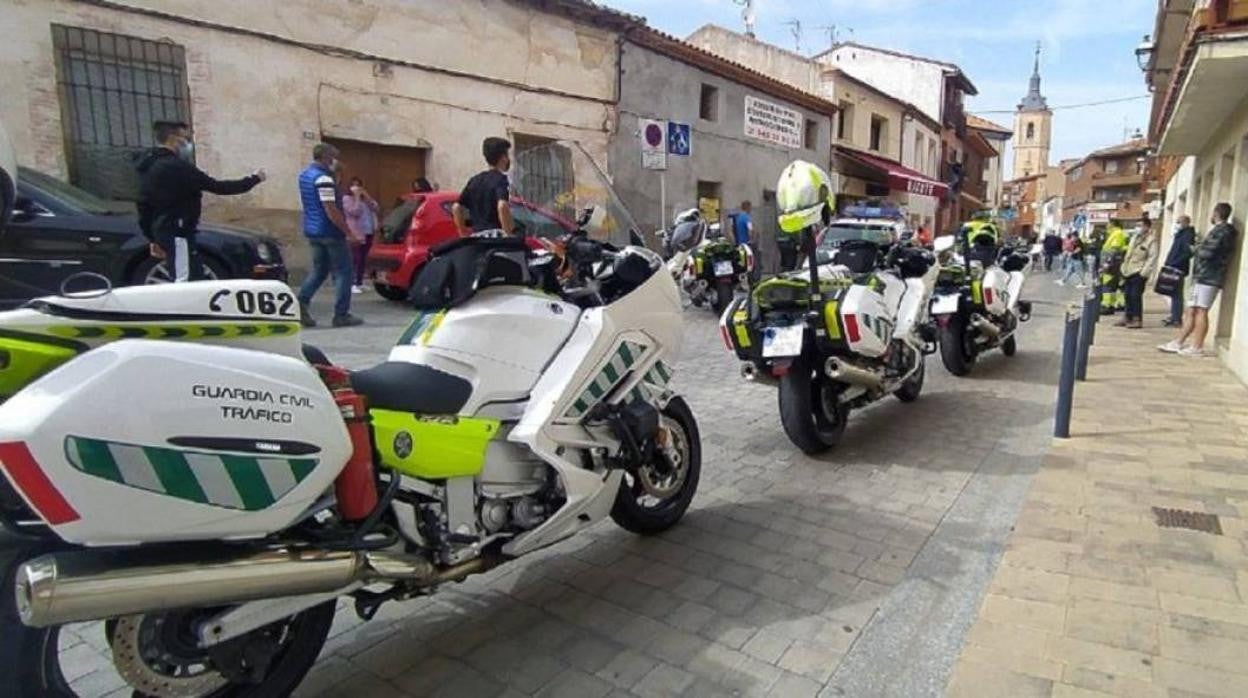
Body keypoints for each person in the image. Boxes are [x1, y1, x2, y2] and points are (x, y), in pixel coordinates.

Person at [135, 121, 265, 281]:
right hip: (178, 231)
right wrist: (254, 179)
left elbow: (143, 205)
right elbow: (218, 187)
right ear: (173, 139)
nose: (188, 143)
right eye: (185, 138)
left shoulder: (149, 166)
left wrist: (152, 237)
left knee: (188, 274)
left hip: (164, 229)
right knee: (185, 279)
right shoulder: (178, 168)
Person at [296, 143, 364, 328]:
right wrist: (348, 233)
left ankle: (300, 305)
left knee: (319, 270)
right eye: (334, 157)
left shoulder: (305, 175)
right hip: (330, 231)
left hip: (312, 230)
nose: (336, 161)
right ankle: (341, 314)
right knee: (344, 272)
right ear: (326, 157)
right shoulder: (323, 179)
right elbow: (330, 209)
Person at [1160, 203, 1238, 357]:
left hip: (1210, 276)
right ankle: (1179, 342)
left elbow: (1208, 253)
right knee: (1191, 310)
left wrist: (1195, 248)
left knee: (1201, 311)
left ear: (1216, 213)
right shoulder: (1217, 230)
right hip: (1202, 276)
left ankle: (1197, 347)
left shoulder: (1224, 231)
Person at [453, 137, 514, 235]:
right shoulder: (501, 179)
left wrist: (463, 234)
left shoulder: (474, 180)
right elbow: (502, 206)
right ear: (503, 158)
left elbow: (456, 207)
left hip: (477, 237)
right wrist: (508, 234)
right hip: (495, 236)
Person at [1117, 219, 1158, 329]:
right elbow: (1129, 254)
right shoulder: (1134, 238)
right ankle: (1127, 316)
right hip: (1128, 270)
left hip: (1139, 271)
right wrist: (1123, 267)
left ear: (1147, 227)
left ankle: (1137, 319)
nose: (1137, 228)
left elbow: (1152, 257)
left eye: (1140, 225)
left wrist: (1144, 272)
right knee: (1127, 295)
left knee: (1135, 296)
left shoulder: (1151, 240)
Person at [343, 176, 379, 294]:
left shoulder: (364, 200)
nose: (356, 188)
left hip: (367, 231)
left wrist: (366, 196)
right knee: (355, 258)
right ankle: (352, 283)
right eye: (354, 185)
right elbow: (355, 211)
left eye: (358, 185)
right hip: (356, 232)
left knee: (363, 258)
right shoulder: (347, 199)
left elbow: (375, 208)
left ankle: (359, 282)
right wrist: (357, 197)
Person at [1160, 215, 1196, 327]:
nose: (1176, 224)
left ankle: (1176, 318)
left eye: (1178, 222)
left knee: (1176, 294)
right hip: (1173, 266)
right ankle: (1174, 315)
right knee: (1172, 292)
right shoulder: (1180, 234)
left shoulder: (1188, 235)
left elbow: (1187, 253)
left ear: (1185, 222)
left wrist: (1174, 263)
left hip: (1178, 268)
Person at [1098, 219, 1129, 315]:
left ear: (1112, 224)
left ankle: (1107, 305)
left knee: (1107, 285)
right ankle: (1117, 304)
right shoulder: (1120, 233)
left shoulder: (1117, 234)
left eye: (1108, 223)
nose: (1107, 225)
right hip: (1116, 264)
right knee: (1116, 285)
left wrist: (1106, 264)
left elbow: (1114, 250)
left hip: (1112, 265)